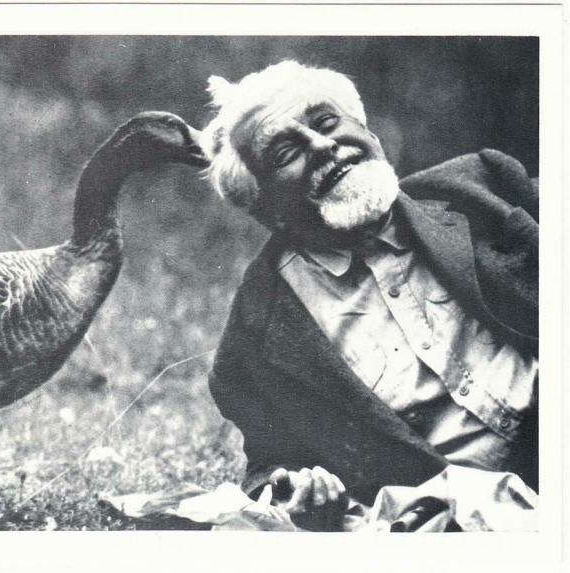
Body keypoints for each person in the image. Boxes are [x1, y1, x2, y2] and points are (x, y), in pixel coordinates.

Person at [201, 61, 538, 529]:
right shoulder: (258, 333)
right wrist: (298, 496)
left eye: (326, 122)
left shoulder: (482, 187)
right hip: (460, 516)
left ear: (368, 132)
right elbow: (270, 464)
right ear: (265, 208)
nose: (322, 146)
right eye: (285, 153)